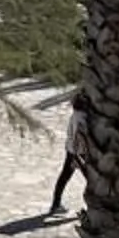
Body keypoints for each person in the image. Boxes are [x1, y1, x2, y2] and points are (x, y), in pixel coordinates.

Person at [49, 90, 93, 218]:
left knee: (64, 177)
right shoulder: (83, 118)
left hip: (71, 151)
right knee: (92, 180)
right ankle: (93, 207)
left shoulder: (75, 115)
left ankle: (56, 204)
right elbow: (81, 136)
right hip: (80, 153)